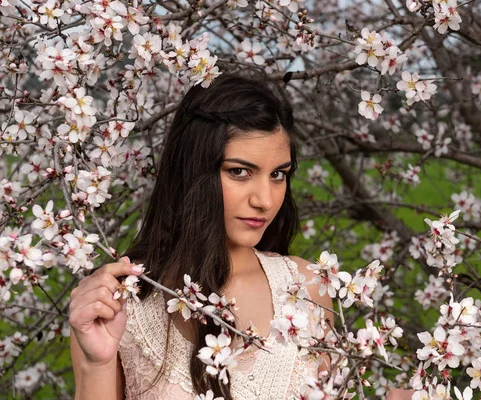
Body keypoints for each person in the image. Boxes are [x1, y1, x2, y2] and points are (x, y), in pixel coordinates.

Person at [69, 74, 413, 400]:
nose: (264, 199)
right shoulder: (116, 306)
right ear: (192, 172)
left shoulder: (306, 288)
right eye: (239, 172)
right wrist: (96, 363)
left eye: (278, 174)